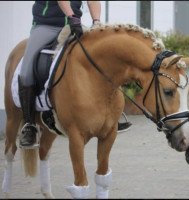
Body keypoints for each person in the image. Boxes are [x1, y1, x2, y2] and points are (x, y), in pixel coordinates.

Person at [18, 1, 131, 149]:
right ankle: (29, 125)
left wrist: (96, 21)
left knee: (100, 57)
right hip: (46, 26)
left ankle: (112, 116)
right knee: (26, 73)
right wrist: (72, 17)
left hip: (74, 24)